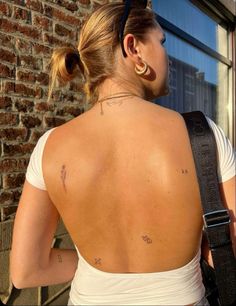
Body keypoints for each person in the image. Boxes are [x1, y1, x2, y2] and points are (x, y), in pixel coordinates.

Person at [10, 1, 235, 305]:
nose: (166, 56)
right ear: (134, 48)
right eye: (161, 42)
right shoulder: (202, 134)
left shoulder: (50, 146)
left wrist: (97, 267)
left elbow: (26, 272)